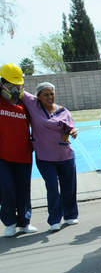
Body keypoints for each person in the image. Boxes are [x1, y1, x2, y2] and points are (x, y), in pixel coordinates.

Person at [25, 82, 79, 231]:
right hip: (45, 157)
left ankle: (70, 215)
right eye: (46, 94)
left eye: (52, 94)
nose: (50, 97)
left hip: (65, 155)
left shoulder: (63, 111)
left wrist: (73, 131)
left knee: (69, 186)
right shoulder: (34, 105)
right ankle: (54, 220)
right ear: (38, 97)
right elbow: (20, 89)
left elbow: (71, 127)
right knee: (52, 188)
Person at [0, 63, 36, 236]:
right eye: (11, 85)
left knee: (23, 189)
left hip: (23, 155)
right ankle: (9, 222)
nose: (15, 89)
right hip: (2, 156)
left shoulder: (25, 103)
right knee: (6, 189)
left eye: (18, 85)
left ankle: (24, 222)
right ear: (2, 84)